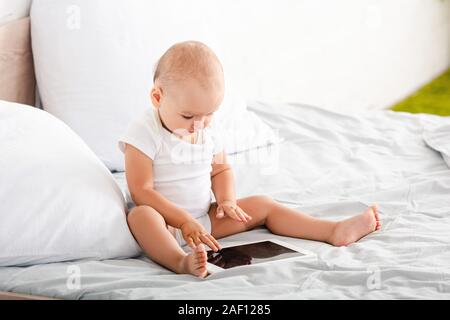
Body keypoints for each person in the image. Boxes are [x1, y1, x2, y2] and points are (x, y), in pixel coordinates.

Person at [118, 41, 381, 278]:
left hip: (204, 221)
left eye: (209, 113)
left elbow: (220, 170)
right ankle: (180, 262)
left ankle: (331, 231)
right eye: (188, 116)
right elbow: (142, 191)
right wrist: (183, 221)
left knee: (264, 204)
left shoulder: (206, 129)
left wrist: (226, 200)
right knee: (141, 216)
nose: (199, 124)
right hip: (167, 226)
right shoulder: (144, 132)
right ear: (157, 97)